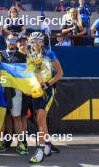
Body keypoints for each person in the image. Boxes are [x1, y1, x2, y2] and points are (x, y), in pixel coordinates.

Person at [28, 32, 63, 163]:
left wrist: (48, 84)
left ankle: (40, 149)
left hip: (47, 91)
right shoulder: (30, 55)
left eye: (37, 41)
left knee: (40, 119)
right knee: (40, 121)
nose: (34, 44)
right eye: (32, 41)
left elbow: (60, 73)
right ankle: (47, 143)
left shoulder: (49, 54)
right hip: (36, 91)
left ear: (42, 42)